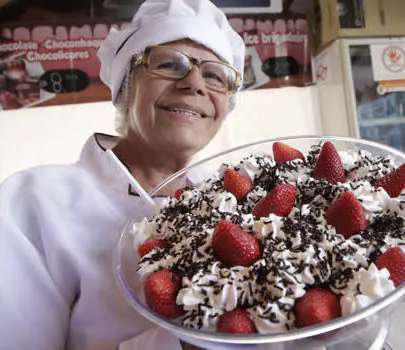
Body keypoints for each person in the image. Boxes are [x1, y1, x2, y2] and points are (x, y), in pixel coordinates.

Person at [0, 0, 245, 349]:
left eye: (215, 75)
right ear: (125, 88)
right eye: (169, 64)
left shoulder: (237, 202)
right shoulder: (33, 202)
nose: (194, 82)